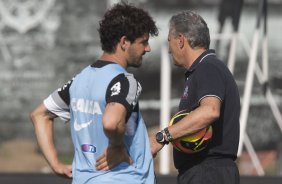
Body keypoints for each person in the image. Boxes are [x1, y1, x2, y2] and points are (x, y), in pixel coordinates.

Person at [30, 2, 158, 184]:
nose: (147, 48)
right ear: (124, 42)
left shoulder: (79, 80)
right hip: (124, 178)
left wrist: (55, 164)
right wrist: (116, 147)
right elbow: (112, 122)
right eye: (143, 42)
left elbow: (39, 115)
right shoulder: (125, 80)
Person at [150, 10, 240, 184]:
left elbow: (210, 111)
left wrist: (162, 137)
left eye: (170, 41)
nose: (169, 50)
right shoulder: (205, 69)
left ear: (181, 40)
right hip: (205, 172)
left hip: (207, 173)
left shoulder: (208, 68)